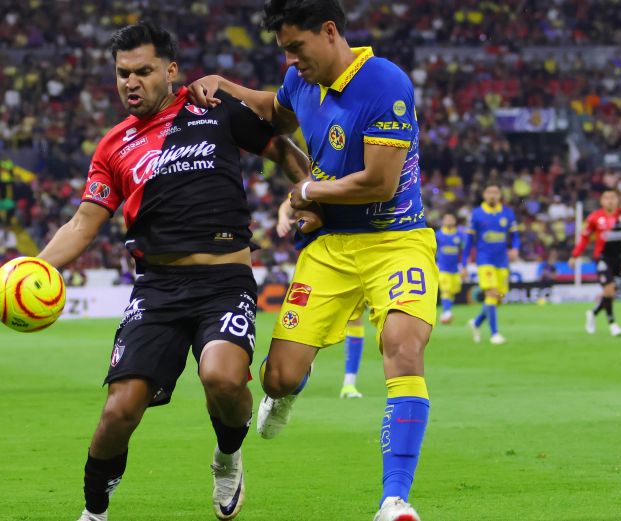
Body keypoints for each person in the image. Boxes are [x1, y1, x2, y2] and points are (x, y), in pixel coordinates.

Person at [35, 21, 309, 521]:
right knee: (119, 411)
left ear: (171, 70)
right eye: (122, 73)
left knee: (223, 380)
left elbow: (283, 151)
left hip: (224, 283)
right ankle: (94, 512)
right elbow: (83, 223)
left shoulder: (213, 109)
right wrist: (32, 266)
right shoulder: (112, 147)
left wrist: (311, 196)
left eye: (142, 71)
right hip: (157, 289)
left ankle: (227, 457)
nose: (130, 82)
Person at [187, 2, 437, 519]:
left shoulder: (384, 83)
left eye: (296, 48)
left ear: (329, 32)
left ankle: (395, 498)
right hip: (329, 251)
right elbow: (272, 111)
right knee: (277, 377)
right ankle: (284, 395)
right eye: (284, 51)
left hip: (396, 240)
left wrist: (303, 191)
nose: (292, 59)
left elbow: (379, 182)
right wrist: (224, 86)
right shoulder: (300, 81)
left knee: (402, 346)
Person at [277, 197, 364, 398]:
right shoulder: (319, 178)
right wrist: (283, 217)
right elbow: (290, 200)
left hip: (350, 258)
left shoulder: (348, 179)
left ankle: (349, 383)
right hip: (316, 261)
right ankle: (288, 383)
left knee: (355, 318)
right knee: (303, 325)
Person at [569, 190, 621, 337]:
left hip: (619, 259)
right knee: (609, 289)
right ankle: (612, 324)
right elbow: (584, 238)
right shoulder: (594, 218)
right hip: (602, 258)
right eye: (607, 198)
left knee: (611, 294)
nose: (610, 201)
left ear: (618, 200)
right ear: (601, 201)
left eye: (613, 197)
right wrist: (575, 256)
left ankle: (592, 313)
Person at [462, 184, 519, 345]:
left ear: (500, 195)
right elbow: (468, 241)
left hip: (502, 261)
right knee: (492, 293)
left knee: (500, 297)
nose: (492, 195)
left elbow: (515, 236)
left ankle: (477, 323)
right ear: (484, 195)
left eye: (495, 192)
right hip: (484, 260)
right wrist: (464, 262)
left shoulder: (507, 213)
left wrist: (515, 248)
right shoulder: (477, 214)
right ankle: (494, 334)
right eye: (489, 192)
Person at [435, 214, 464, 324]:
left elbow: (464, 251)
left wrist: (463, 266)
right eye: (447, 219)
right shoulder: (438, 235)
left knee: (453, 291)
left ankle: (446, 312)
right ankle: (447, 312)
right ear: (443, 221)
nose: (449, 220)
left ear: (455, 220)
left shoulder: (460, 235)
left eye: (451, 218)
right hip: (442, 268)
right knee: (446, 291)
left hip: (455, 269)